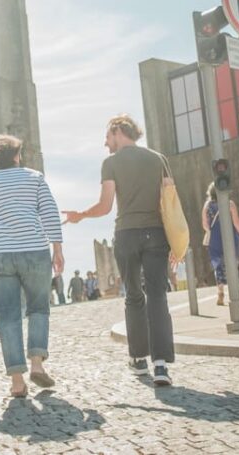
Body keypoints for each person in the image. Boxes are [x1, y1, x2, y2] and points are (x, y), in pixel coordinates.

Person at [62, 114, 178, 386]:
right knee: (158, 296)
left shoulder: (111, 163)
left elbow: (105, 206)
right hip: (156, 233)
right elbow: (170, 200)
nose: (106, 143)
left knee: (134, 296)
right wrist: (176, 239)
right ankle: (161, 365)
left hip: (127, 234)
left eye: (108, 136)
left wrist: (80, 214)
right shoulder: (158, 159)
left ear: (118, 131)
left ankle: (138, 359)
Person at [0, 134, 64, 398]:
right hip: (34, 250)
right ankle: (36, 362)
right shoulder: (34, 177)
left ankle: (17, 381)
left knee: (7, 315)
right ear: (16, 156)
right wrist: (57, 248)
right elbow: (49, 212)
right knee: (38, 307)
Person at [201, 183, 239, 307]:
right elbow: (237, 223)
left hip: (215, 238)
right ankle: (235, 293)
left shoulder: (207, 206)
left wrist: (211, 231)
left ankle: (221, 292)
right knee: (232, 263)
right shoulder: (230, 204)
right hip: (230, 236)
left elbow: (205, 225)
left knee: (218, 266)